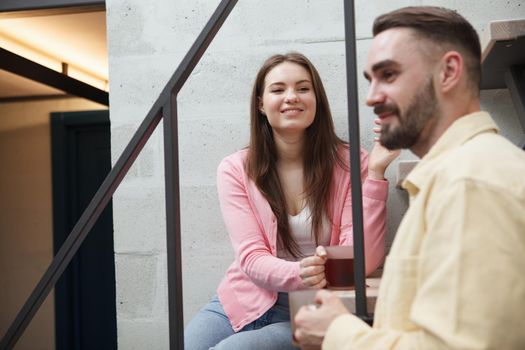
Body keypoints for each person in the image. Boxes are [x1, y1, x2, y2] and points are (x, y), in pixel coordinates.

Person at [294, 6, 525, 350]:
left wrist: (338, 334)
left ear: (448, 71)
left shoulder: (469, 184)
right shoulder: (454, 176)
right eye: (369, 80)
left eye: (389, 75)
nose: (372, 97)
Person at [184, 52, 398, 349]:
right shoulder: (235, 169)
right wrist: (298, 272)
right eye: (277, 89)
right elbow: (250, 258)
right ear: (261, 104)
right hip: (243, 297)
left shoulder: (352, 163)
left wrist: (376, 172)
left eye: (302, 88)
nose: (291, 97)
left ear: (316, 99)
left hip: (316, 304)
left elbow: (363, 259)